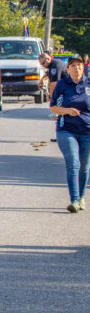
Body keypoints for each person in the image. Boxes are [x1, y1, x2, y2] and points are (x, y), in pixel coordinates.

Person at [49, 56, 90, 213]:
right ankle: (74, 200)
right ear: (68, 69)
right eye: (73, 66)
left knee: (85, 167)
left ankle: (81, 197)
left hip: (87, 130)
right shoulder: (62, 84)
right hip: (66, 129)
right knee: (73, 163)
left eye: (79, 65)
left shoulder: (88, 83)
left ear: (83, 67)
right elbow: (52, 107)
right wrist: (67, 111)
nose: (77, 68)